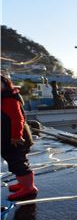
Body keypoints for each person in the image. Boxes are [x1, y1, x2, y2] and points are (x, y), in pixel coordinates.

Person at [1, 73, 38, 201]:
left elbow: (18, 119)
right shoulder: (3, 98)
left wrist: (16, 136)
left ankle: (29, 188)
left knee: (18, 161)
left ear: (5, 85)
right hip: (7, 137)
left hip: (16, 138)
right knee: (13, 160)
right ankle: (23, 183)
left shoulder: (8, 99)